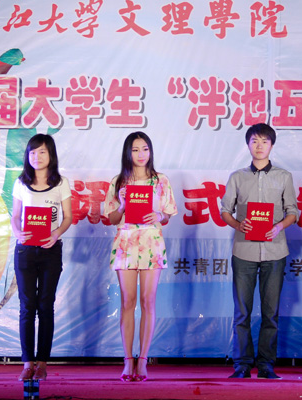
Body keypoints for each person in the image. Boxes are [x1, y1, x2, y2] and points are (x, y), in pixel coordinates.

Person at [220, 123, 298, 380]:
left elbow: (292, 212)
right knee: (242, 311)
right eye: (255, 141)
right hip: (244, 251)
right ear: (248, 144)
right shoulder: (237, 177)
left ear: (272, 145)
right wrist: (237, 224)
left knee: (270, 312)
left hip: (275, 251)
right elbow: (225, 211)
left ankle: (266, 365)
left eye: (265, 141)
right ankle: (242, 364)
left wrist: (278, 227)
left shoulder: (284, 176)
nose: (259, 146)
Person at [104, 131, 177, 382]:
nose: (141, 154)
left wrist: (160, 216)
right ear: (128, 153)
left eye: (145, 149)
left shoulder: (161, 180)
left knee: (148, 300)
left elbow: (167, 215)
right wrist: (123, 205)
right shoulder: (118, 182)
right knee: (128, 301)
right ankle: (127, 360)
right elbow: (111, 218)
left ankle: (143, 360)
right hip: (126, 241)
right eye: (135, 150)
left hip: (150, 241)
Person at [11, 134, 72, 381]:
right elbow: (16, 216)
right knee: (27, 306)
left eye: (42, 152)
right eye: (33, 152)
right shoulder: (21, 182)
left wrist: (56, 233)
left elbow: (67, 216)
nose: (37, 157)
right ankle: (27, 363)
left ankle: (43, 363)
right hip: (25, 251)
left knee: (46, 306)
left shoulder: (61, 183)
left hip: (50, 251)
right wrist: (17, 232)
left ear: (51, 155)